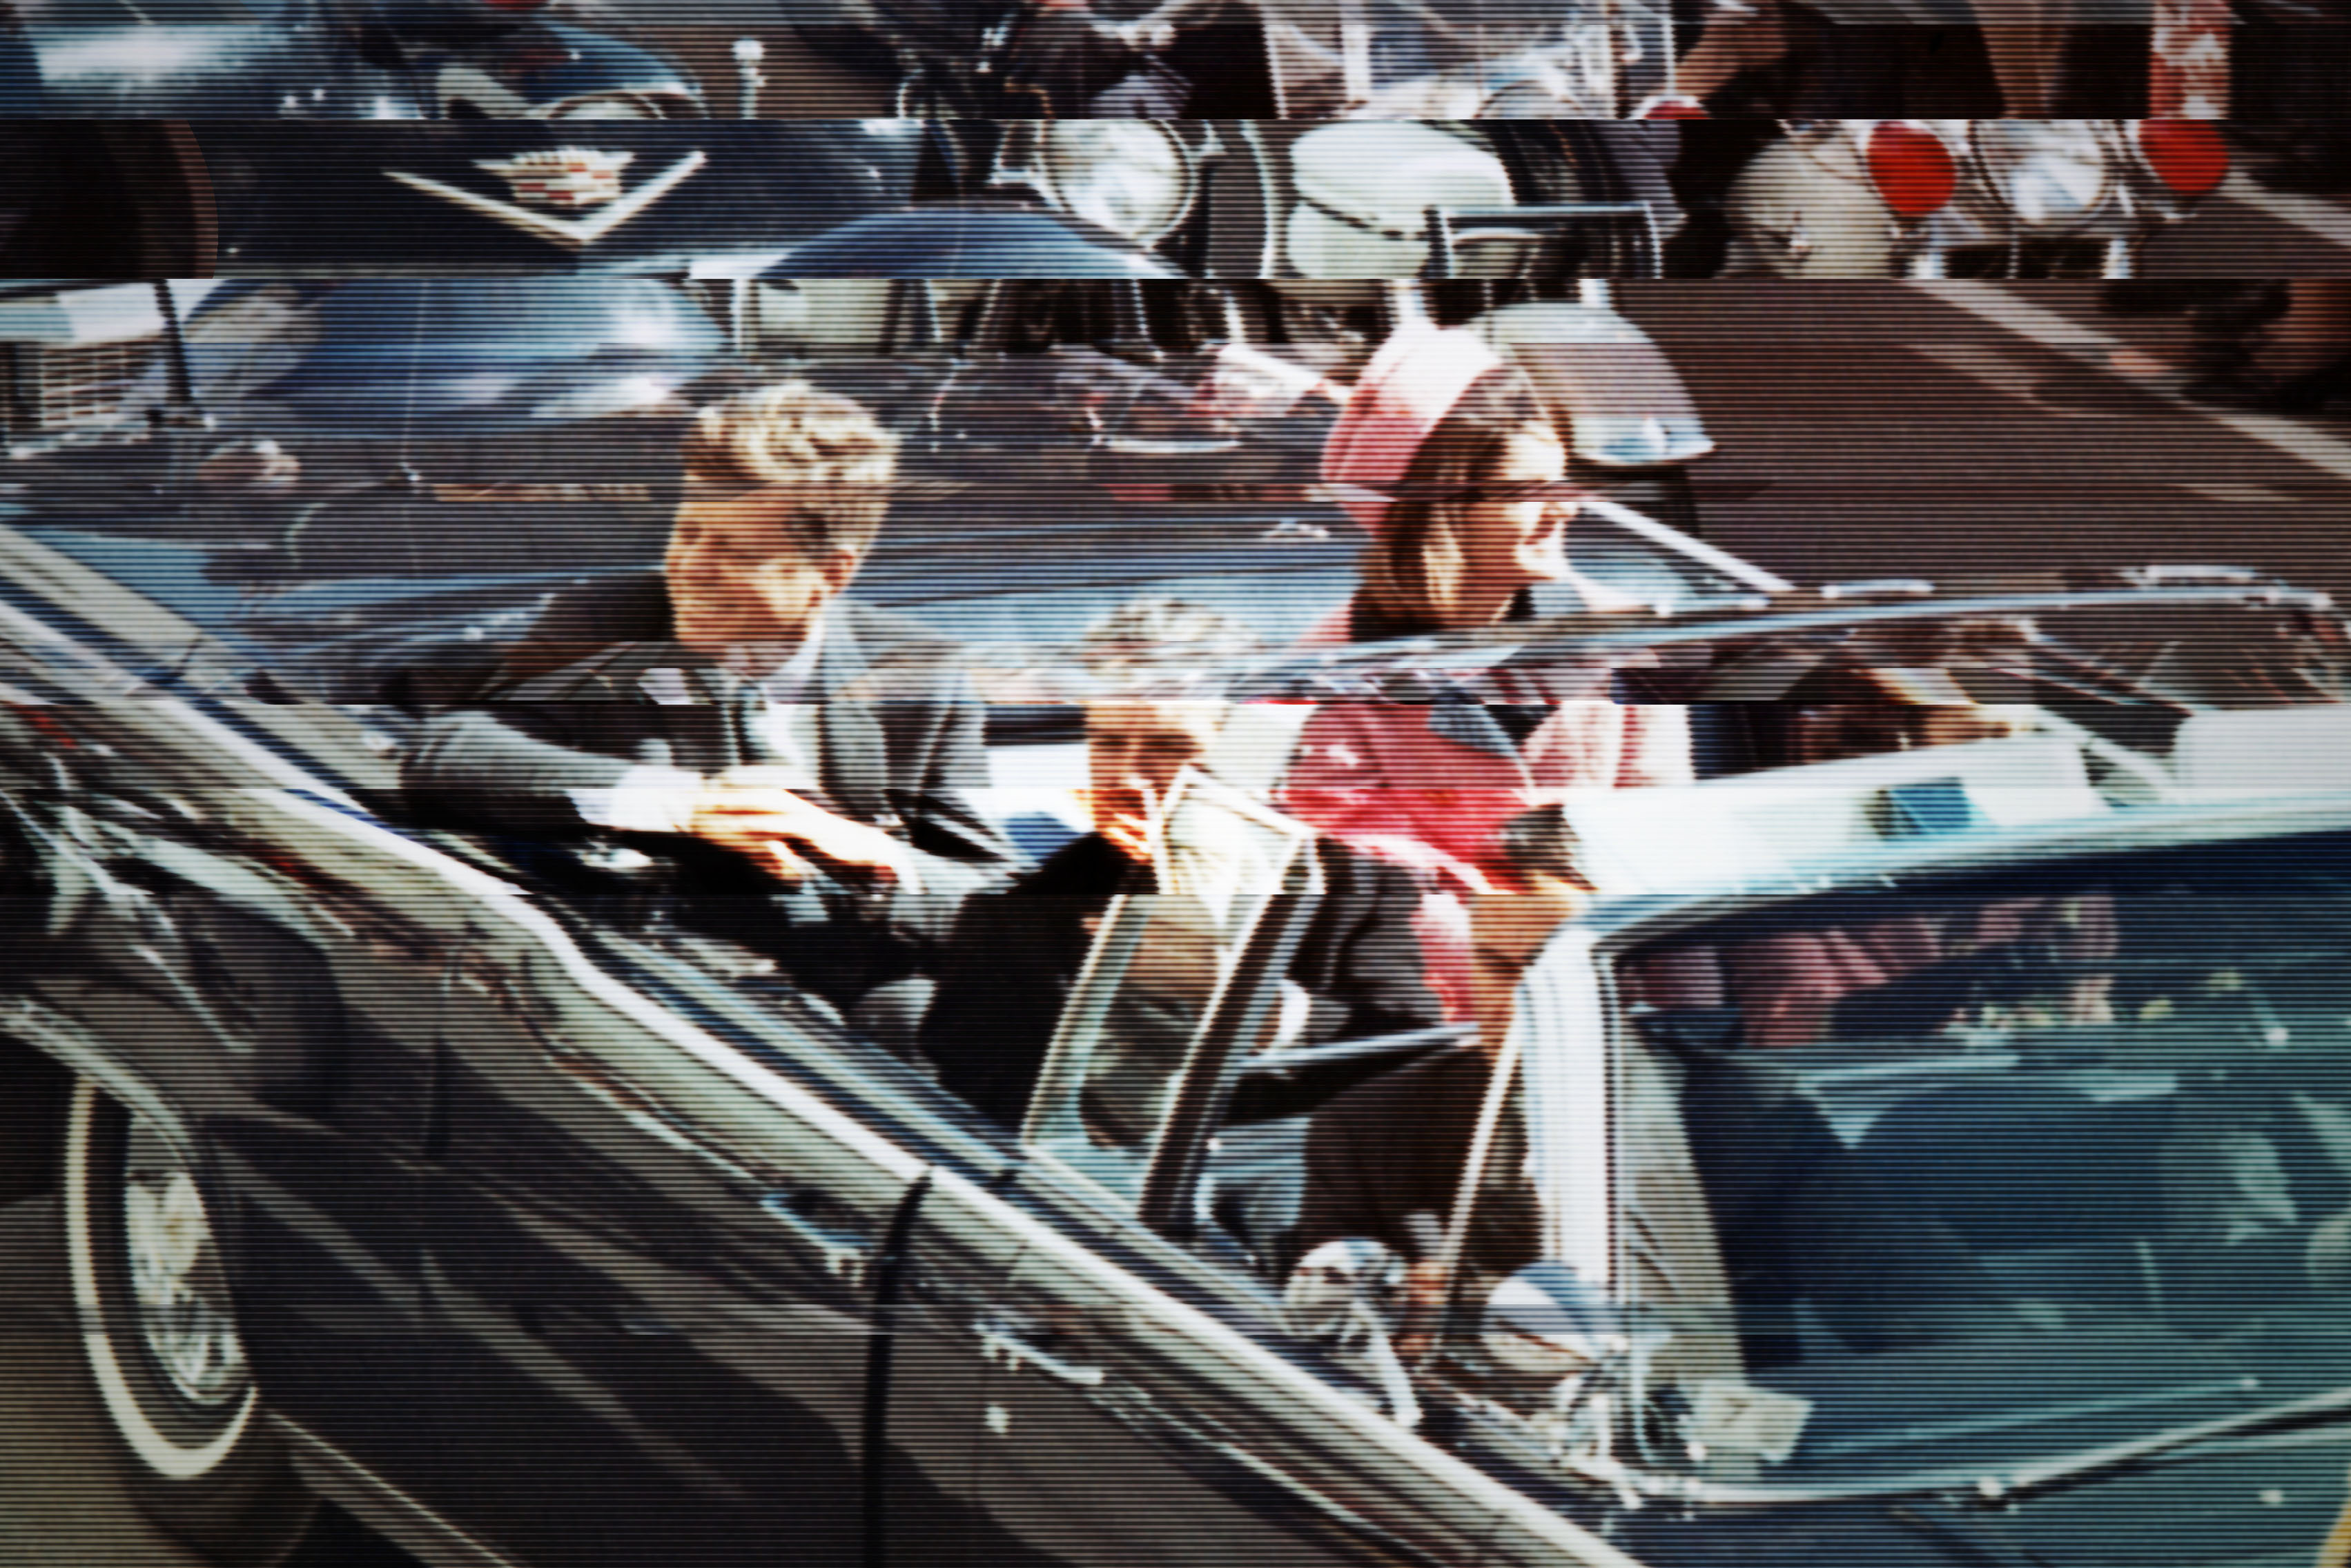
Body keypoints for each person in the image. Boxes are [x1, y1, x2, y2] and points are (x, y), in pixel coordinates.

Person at [401, 381, 1020, 1015]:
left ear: (831, 574)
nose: (691, 567)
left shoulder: (917, 671)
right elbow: (448, 754)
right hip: (653, 985)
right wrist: (686, 804)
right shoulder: (609, 621)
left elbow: (1000, 895)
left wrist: (882, 861)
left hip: (849, 1003)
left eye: (736, 550)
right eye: (688, 531)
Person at [918, 599, 1441, 1129]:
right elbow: (992, 1111)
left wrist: (1252, 1001)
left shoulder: (1352, 888)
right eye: (1109, 742)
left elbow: (1409, 1055)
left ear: (1245, 752)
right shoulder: (1016, 917)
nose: (1128, 773)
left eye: (1170, 745)